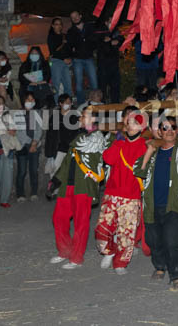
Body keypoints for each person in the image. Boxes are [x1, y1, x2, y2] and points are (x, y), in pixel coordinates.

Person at [134, 114, 178, 290]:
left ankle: (176, 274)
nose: (169, 131)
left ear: (177, 131)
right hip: (152, 204)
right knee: (154, 240)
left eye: (173, 128)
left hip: (173, 204)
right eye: (165, 128)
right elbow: (139, 170)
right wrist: (149, 152)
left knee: (172, 240)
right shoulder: (153, 151)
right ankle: (159, 267)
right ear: (159, 131)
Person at [50, 107, 110, 269]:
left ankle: (77, 258)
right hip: (68, 185)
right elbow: (67, 161)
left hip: (84, 185)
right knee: (58, 218)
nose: (80, 119)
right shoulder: (79, 137)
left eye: (84, 116)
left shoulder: (97, 139)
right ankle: (65, 250)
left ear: (94, 120)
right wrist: (56, 179)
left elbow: (91, 152)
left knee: (80, 222)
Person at [96, 105, 149, 274]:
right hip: (111, 193)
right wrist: (118, 143)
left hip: (131, 196)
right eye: (129, 122)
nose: (130, 125)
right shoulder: (119, 142)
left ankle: (120, 263)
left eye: (135, 123)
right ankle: (108, 252)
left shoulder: (145, 146)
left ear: (142, 127)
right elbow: (108, 158)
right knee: (102, 229)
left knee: (126, 233)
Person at [14, 94, 43, 202]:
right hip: (22, 146)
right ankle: (20, 194)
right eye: (28, 99)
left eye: (32, 99)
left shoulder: (37, 113)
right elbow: (18, 132)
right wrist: (31, 142)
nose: (31, 101)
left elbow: (39, 130)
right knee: (21, 171)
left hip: (35, 146)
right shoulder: (17, 114)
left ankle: (34, 192)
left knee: (34, 170)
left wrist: (35, 143)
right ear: (23, 100)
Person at [67, 11, 98, 105]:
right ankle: (81, 104)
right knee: (79, 83)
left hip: (89, 57)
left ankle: (96, 102)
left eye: (76, 16)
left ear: (80, 16)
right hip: (77, 59)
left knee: (94, 81)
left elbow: (95, 40)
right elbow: (70, 45)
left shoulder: (89, 27)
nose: (75, 18)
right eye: (73, 17)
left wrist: (91, 48)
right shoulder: (71, 31)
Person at [97, 17, 124, 102]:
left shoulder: (117, 32)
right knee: (103, 90)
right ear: (106, 22)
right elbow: (101, 45)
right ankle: (102, 109)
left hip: (114, 65)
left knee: (115, 89)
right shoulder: (101, 32)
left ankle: (115, 109)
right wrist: (110, 43)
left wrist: (111, 41)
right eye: (111, 21)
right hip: (103, 66)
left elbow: (121, 41)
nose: (113, 23)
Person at [47, 18, 74, 98]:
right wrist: (63, 59)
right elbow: (53, 51)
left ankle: (67, 103)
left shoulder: (64, 36)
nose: (58, 26)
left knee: (68, 84)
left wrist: (70, 58)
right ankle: (55, 104)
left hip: (66, 62)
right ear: (53, 26)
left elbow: (70, 49)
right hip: (56, 62)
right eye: (56, 24)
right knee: (56, 84)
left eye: (60, 24)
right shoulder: (51, 36)